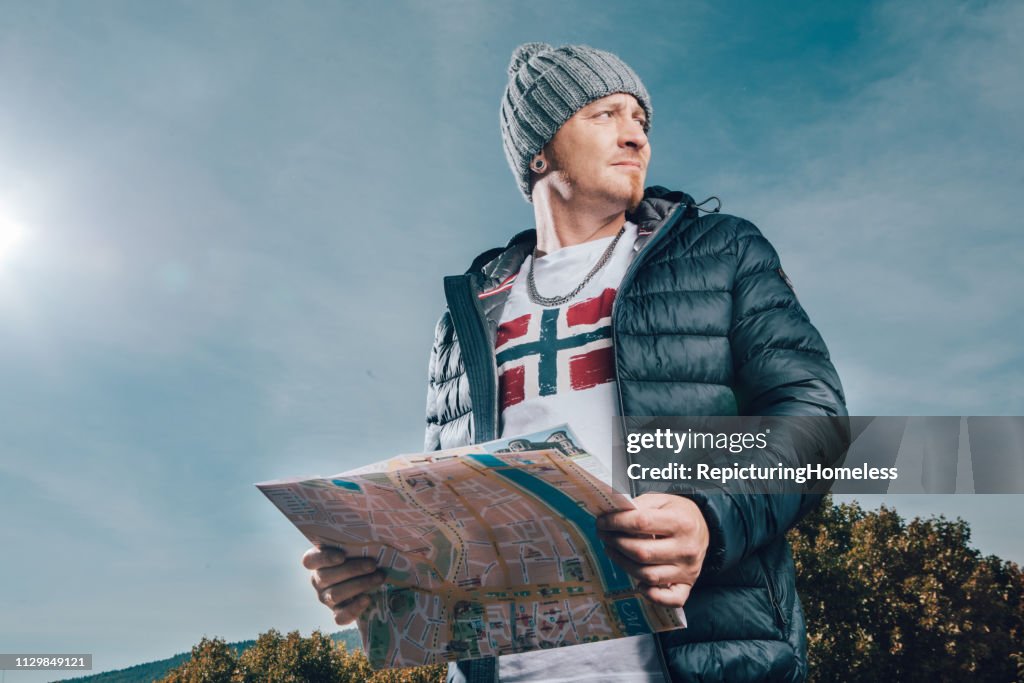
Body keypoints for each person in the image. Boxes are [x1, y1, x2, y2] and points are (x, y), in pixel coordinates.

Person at [303, 43, 849, 682]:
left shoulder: (722, 252)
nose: (635, 136)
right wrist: (375, 577)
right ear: (540, 150)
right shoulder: (466, 316)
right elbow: (440, 506)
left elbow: (816, 418)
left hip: (700, 658)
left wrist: (709, 514)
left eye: (641, 121)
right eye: (605, 114)